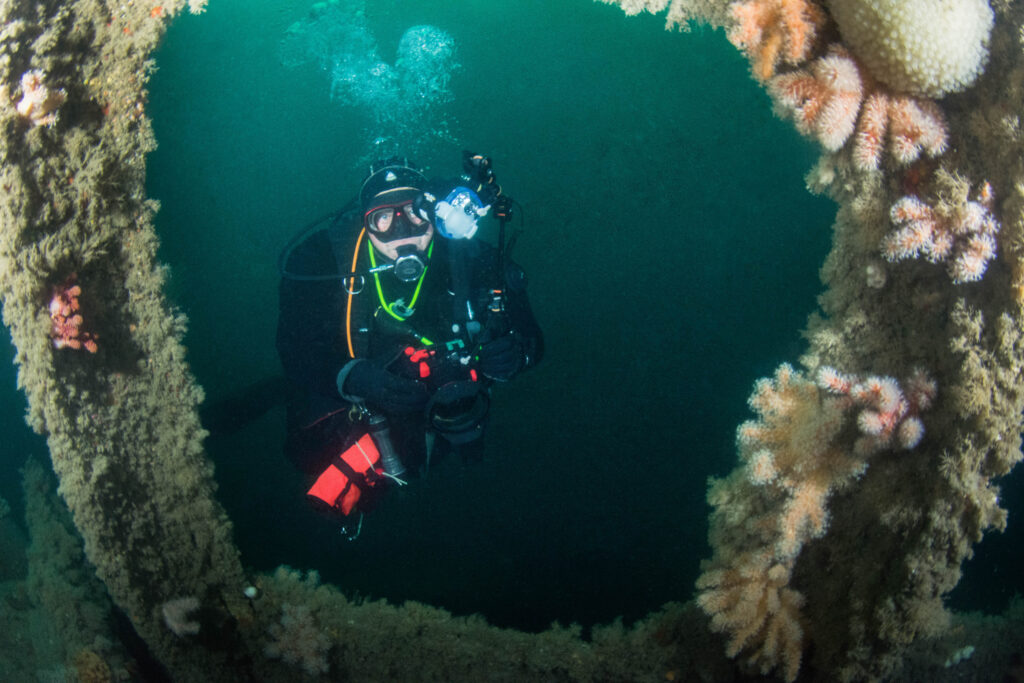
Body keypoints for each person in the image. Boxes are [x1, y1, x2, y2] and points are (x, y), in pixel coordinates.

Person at [276, 152, 543, 533]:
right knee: (308, 439)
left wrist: (518, 352)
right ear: (363, 223)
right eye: (383, 218)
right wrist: (350, 377)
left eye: (415, 213)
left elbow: (533, 338)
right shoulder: (321, 261)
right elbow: (294, 346)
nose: (402, 230)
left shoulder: (472, 258)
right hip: (357, 399)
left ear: (435, 215)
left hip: (449, 414)